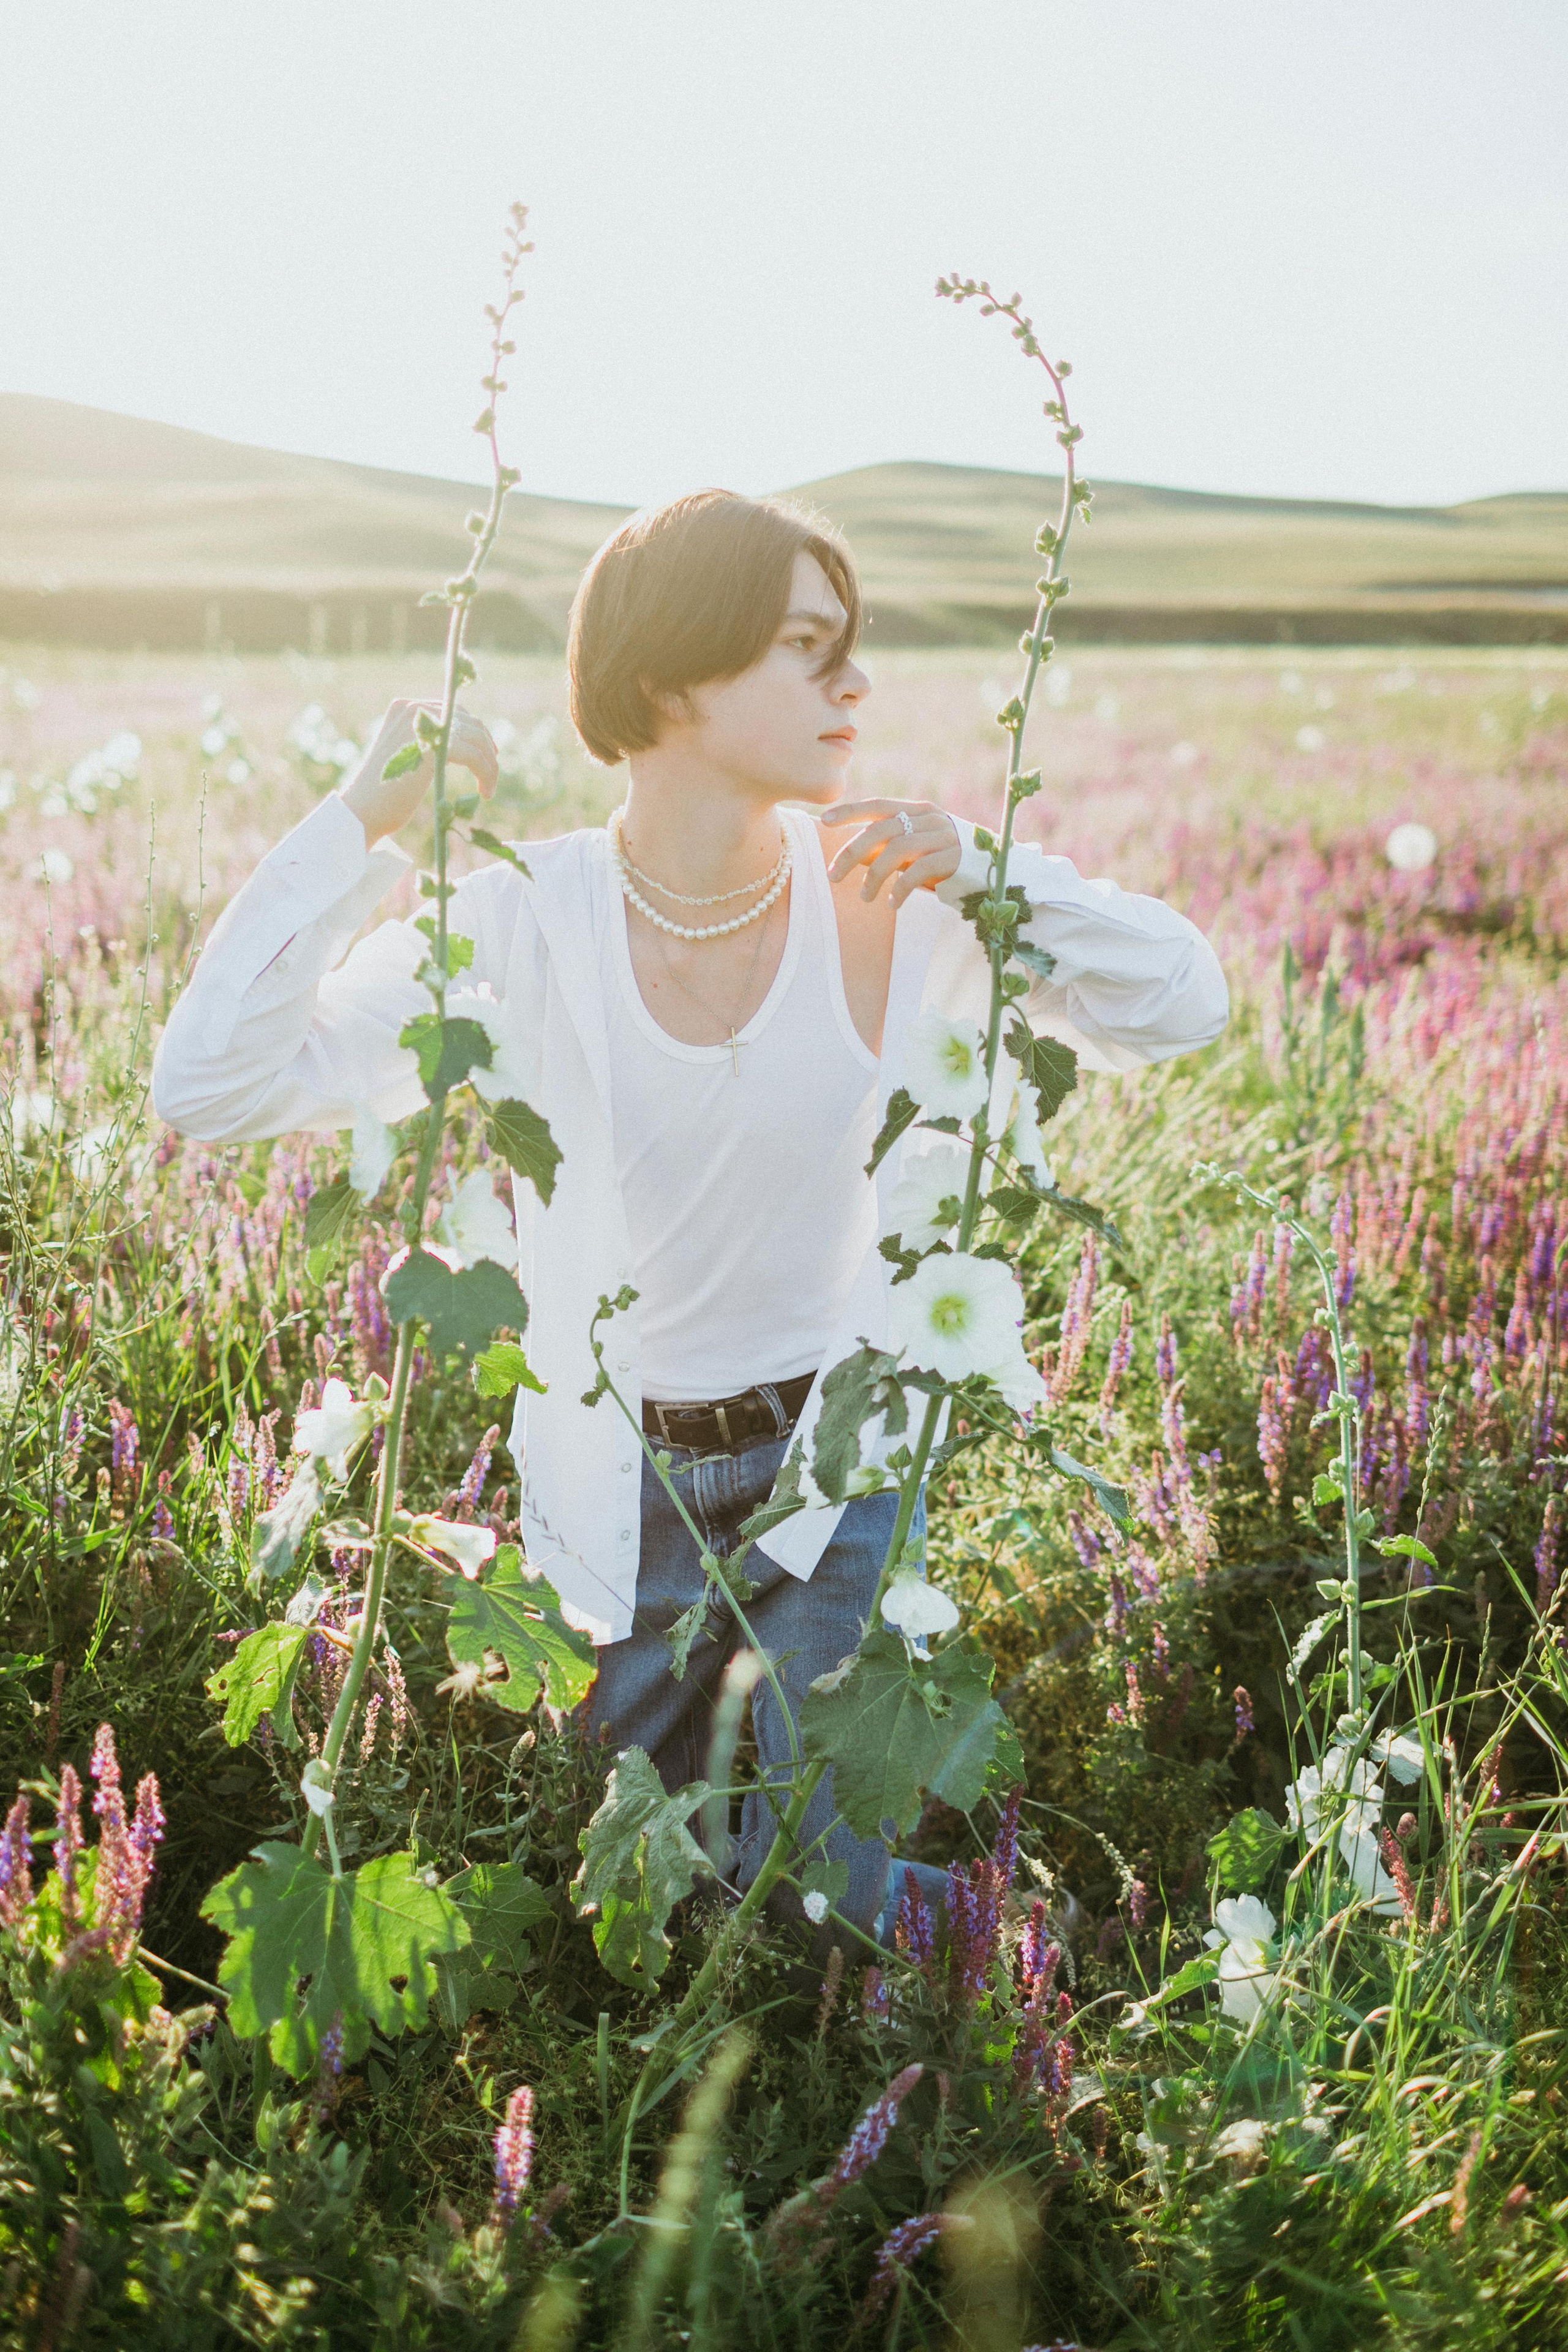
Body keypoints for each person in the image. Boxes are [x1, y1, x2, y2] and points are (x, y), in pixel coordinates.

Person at [153, 488, 1229, 1942]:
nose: (850, 683)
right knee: (626, 1902)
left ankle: (1046, 1951)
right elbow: (213, 1083)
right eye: (802, 647)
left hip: (831, 1476)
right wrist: (362, 818)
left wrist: (988, 867)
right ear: (668, 680)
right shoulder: (524, 917)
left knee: (808, 1903)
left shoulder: (896, 896)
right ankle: (986, 1927)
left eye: (848, 645)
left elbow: (1178, 1005)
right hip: (620, 1491)